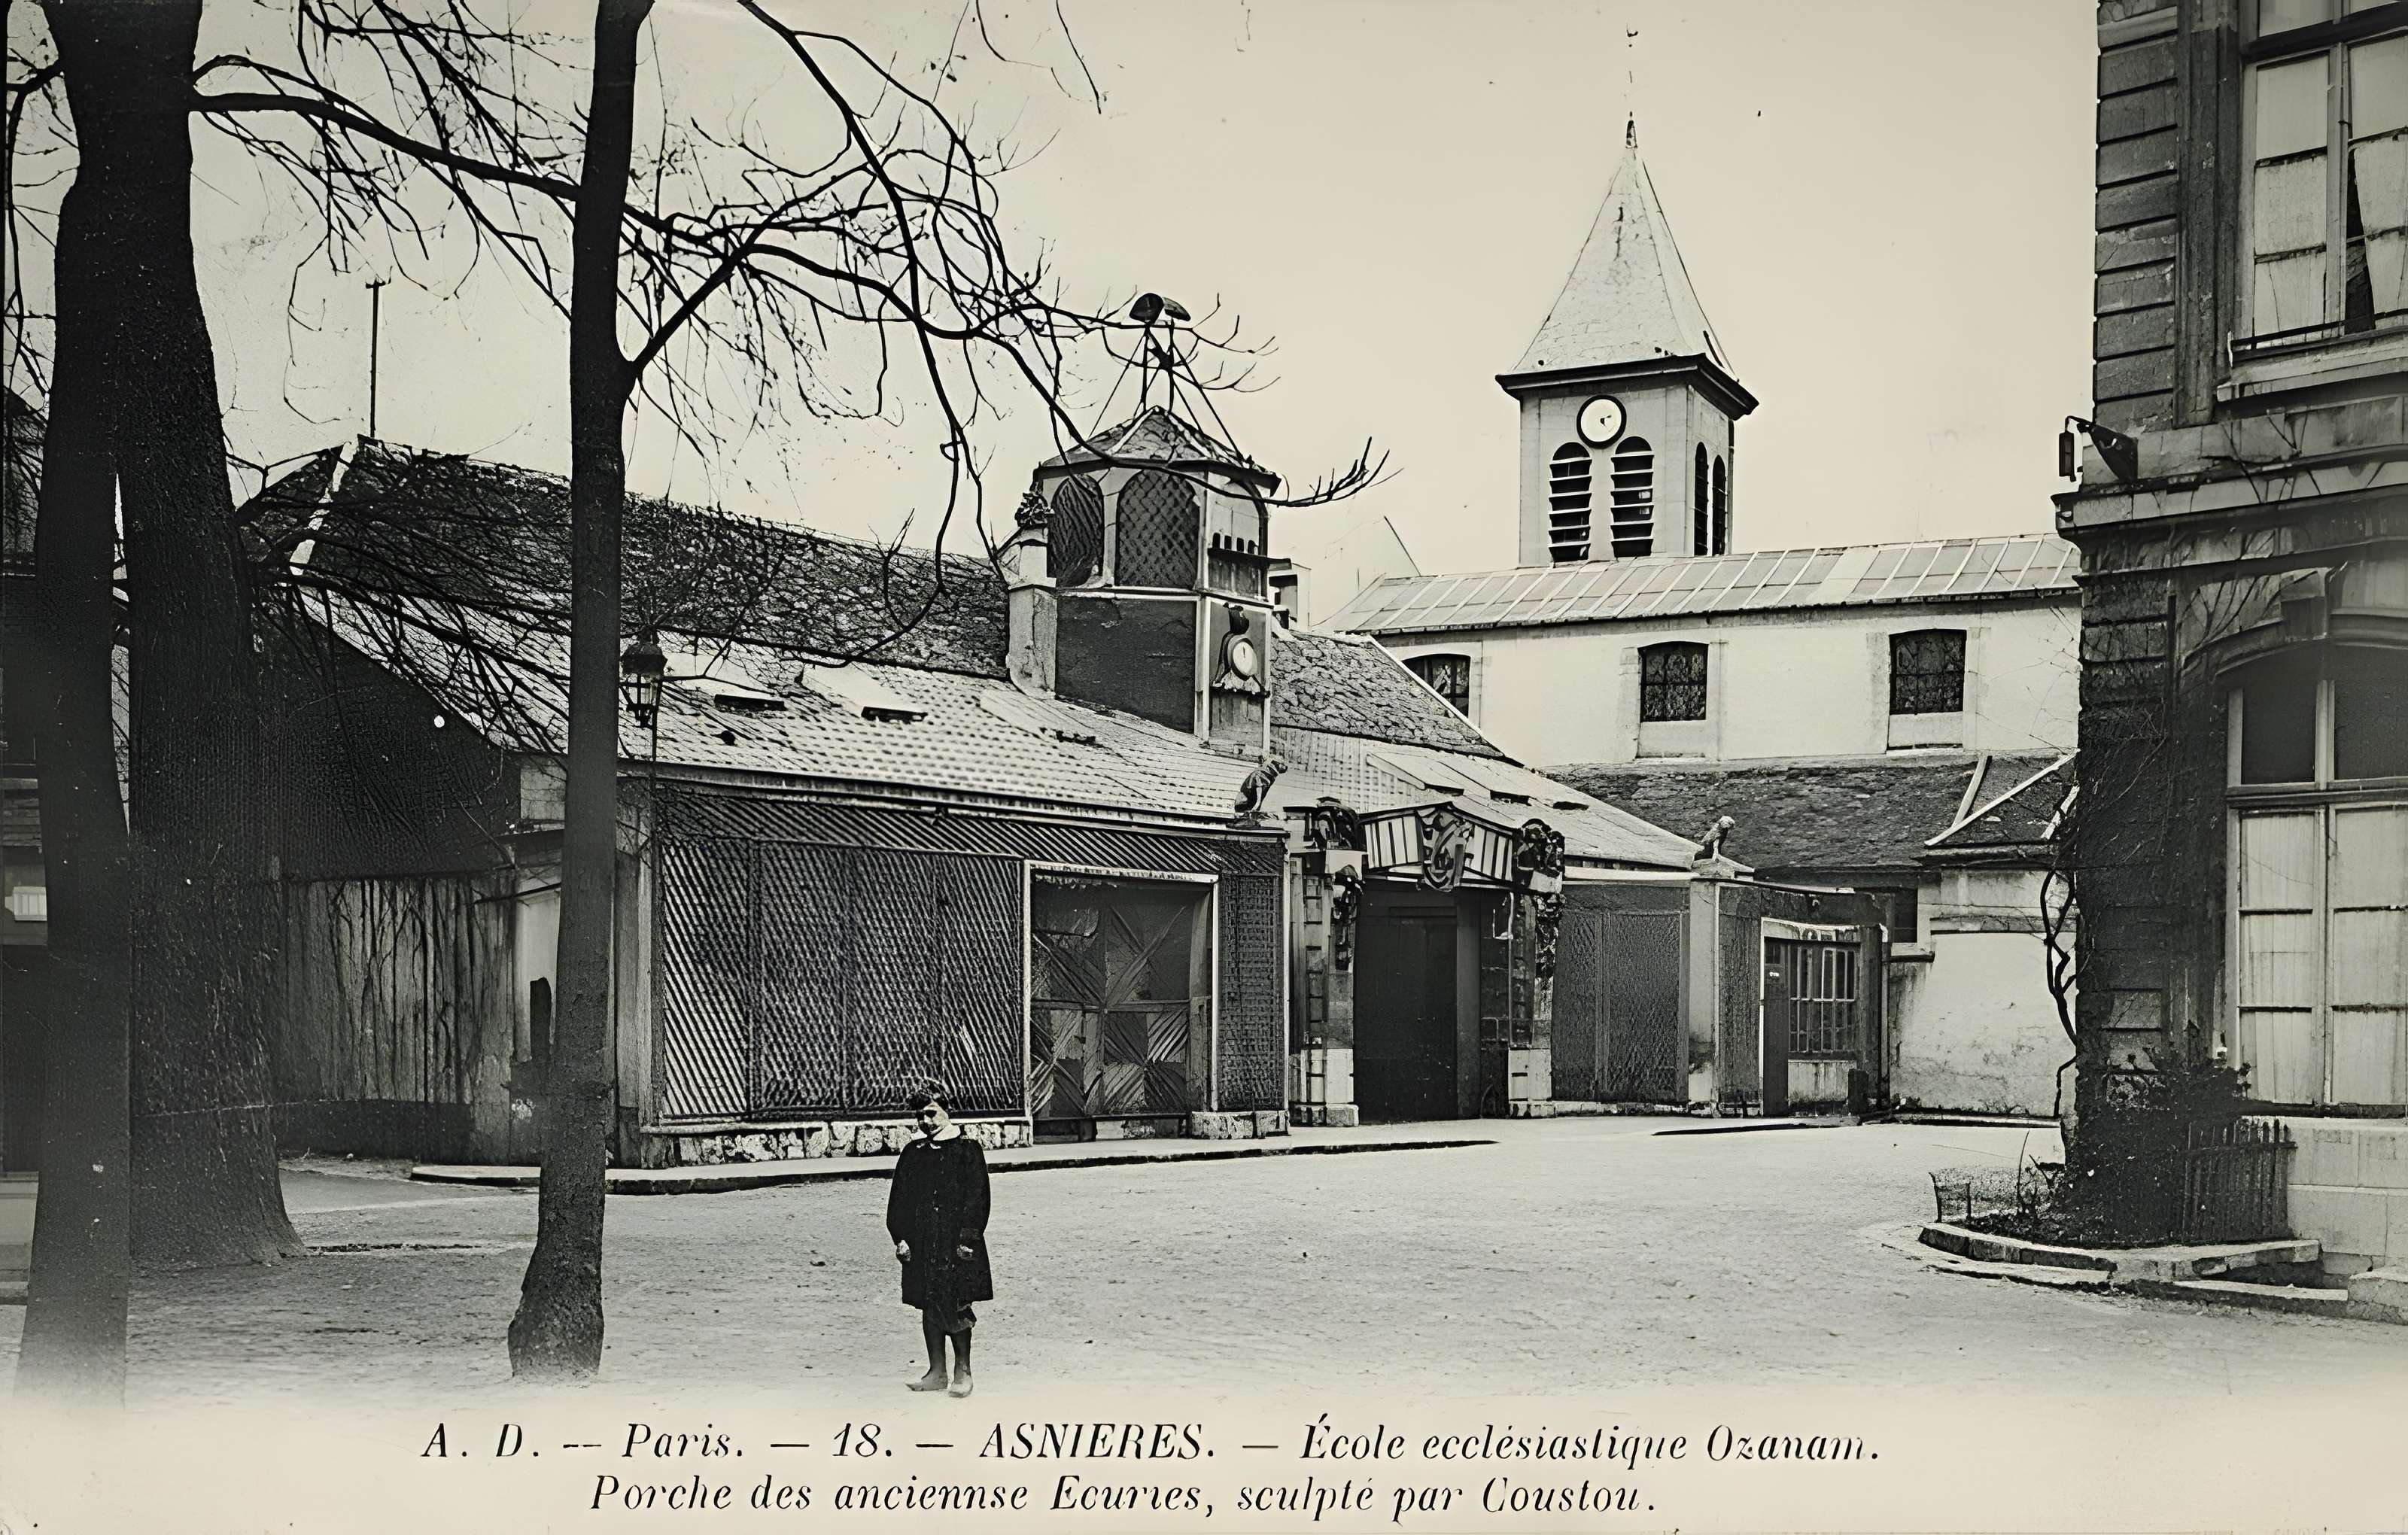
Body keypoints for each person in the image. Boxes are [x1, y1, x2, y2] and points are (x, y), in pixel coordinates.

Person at [886, 1083, 992, 1397]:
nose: (926, 1121)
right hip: (923, 1244)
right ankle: (936, 1372)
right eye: (920, 1115)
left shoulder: (967, 1149)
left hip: (956, 1244)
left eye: (931, 1113)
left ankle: (963, 1372)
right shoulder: (913, 1152)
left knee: (957, 1304)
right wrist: (900, 1237)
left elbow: (978, 1198)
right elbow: (899, 1199)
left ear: (947, 1111)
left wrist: (968, 1239)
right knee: (929, 1305)